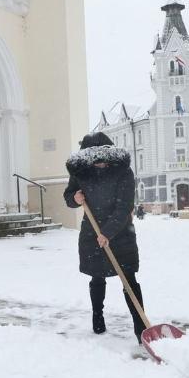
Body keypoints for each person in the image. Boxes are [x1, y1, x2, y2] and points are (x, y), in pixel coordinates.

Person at [63, 132, 145, 343]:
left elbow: (124, 206)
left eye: (103, 159)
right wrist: (74, 197)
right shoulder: (81, 171)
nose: (100, 163)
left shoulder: (123, 172)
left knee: (129, 280)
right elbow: (69, 196)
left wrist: (107, 232)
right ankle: (97, 318)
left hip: (121, 231)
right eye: (95, 160)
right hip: (91, 232)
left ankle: (141, 328)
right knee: (96, 276)